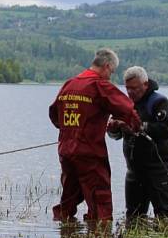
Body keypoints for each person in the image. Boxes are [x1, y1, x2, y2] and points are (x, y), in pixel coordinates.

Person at [49, 48, 140, 221]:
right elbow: (128, 108)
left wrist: (69, 129)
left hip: (66, 151)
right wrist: (136, 127)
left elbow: (54, 114)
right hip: (89, 152)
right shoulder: (99, 85)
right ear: (106, 66)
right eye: (111, 72)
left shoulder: (70, 84)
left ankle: (63, 234)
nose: (110, 76)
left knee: (69, 197)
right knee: (100, 200)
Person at [107, 66, 168, 219]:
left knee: (165, 216)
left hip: (159, 169)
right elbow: (115, 135)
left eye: (135, 88)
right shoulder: (125, 105)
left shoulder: (160, 102)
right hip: (134, 171)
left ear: (145, 84)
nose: (131, 92)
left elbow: (166, 129)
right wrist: (113, 129)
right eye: (128, 88)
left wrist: (138, 126)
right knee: (133, 217)